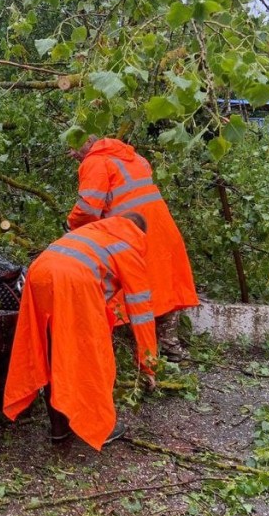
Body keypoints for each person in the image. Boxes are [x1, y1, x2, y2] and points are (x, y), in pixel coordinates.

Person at [2, 213, 157, 450]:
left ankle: (59, 427)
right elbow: (142, 313)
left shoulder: (92, 233)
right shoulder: (129, 247)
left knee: (51, 346)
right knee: (91, 356)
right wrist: (148, 363)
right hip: (73, 282)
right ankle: (97, 425)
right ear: (140, 232)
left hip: (39, 272)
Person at [67, 136, 198, 361]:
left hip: (131, 231)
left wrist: (71, 227)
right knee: (163, 282)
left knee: (120, 284)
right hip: (159, 228)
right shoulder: (131, 156)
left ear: (86, 142)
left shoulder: (95, 162)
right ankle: (168, 345)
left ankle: (119, 346)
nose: (71, 154)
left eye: (72, 146)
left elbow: (88, 209)